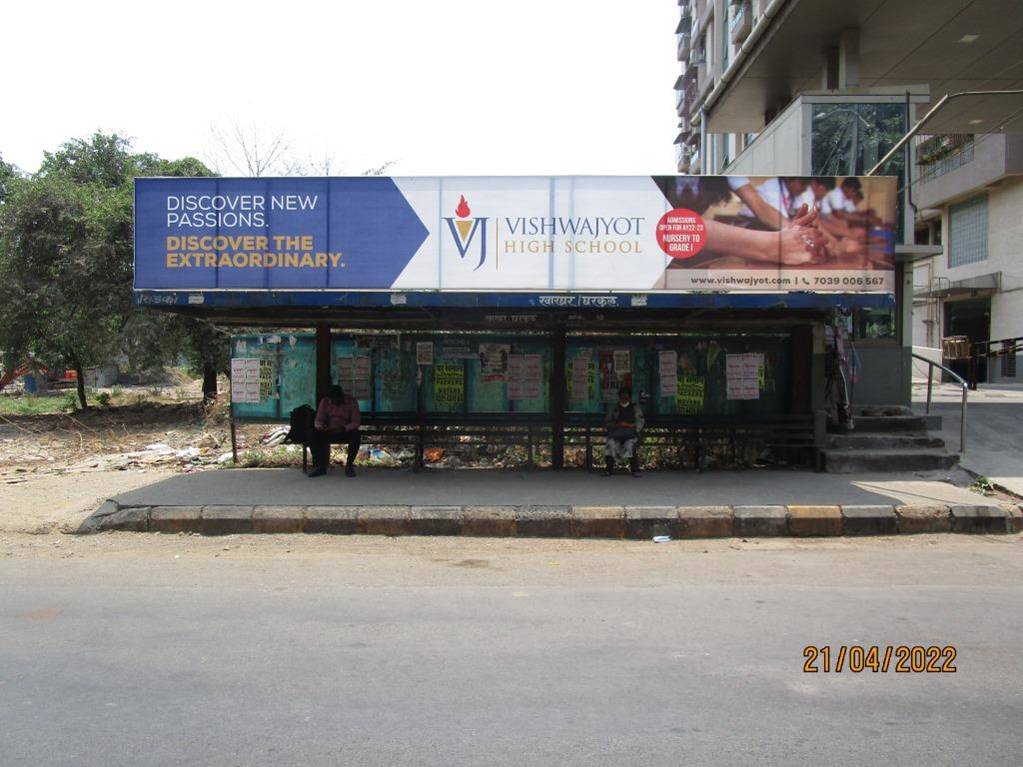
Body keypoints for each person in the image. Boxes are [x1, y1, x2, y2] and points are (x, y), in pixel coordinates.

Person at [308, 384, 361, 478]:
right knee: (313, 434)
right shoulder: (325, 402)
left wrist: (344, 428)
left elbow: (356, 422)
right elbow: (318, 419)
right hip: (329, 430)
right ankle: (320, 466)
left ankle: (349, 466)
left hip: (345, 430)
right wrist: (321, 427)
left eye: (337, 399)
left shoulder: (351, 402)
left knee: (356, 435)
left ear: (341, 396)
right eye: (332, 399)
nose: (334, 401)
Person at [603, 385, 644, 477]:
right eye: (622, 397)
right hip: (616, 434)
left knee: (630, 444)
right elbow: (607, 422)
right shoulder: (614, 408)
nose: (624, 399)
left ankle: (635, 469)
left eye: (626, 397)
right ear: (619, 397)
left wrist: (631, 426)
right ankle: (609, 468)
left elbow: (640, 421)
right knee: (611, 443)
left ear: (629, 397)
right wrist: (617, 425)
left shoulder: (635, 408)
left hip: (630, 434)